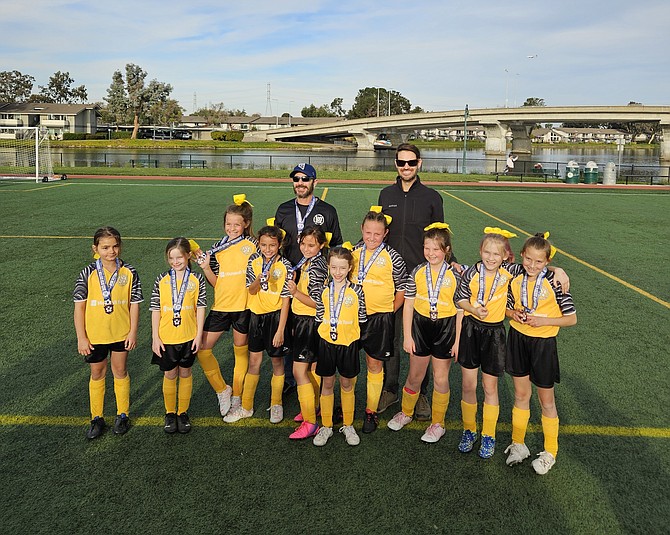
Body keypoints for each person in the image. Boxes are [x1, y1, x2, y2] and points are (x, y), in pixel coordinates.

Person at [455, 228, 569, 459]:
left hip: (496, 335)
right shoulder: (473, 272)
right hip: (470, 331)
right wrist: (473, 309)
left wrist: (560, 270)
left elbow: (539, 267)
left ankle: (489, 435)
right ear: (480, 251)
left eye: (496, 254)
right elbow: (459, 297)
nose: (491, 258)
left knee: (490, 388)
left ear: (506, 256)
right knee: (468, 386)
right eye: (486, 252)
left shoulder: (510, 271)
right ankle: (469, 430)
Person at [377, 143, 450, 420]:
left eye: (410, 162)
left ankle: (421, 394)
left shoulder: (432, 197)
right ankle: (391, 388)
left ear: (419, 163)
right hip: (391, 279)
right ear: (395, 164)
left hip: (423, 280)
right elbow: (378, 233)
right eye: (400, 162)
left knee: (422, 341)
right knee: (392, 337)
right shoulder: (386, 194)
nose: (405, 167)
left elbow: (440, 239)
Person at [504, 233, 576, 475]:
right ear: (522, 256)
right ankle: (519, 444)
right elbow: (507, 307)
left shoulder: (556, 282)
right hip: (517, 337)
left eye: (539, 262)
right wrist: (513, 315)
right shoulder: (515, 274)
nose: (532, 265)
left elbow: (571, 318)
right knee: (521, 394)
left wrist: (542, 320)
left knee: (546, 400)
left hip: (543, 343)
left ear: (546, 263)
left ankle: (550, 452)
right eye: (528, 259)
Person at [387, 223, 463, 443]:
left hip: (445, 328)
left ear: (447, 250)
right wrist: (408, 335)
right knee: (414, 377)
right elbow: (408, 304)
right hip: (420, 327)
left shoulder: (456, 275)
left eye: (436, 249)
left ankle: (437, 423)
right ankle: (406, 413)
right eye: (427, 248)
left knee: (440, 378)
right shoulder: (418, 271)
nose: (431, 253)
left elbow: (460, 311)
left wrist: (457, 340)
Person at [274, 163, 344, 392]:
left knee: (310, 334)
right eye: (297, 179)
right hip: (289, 279)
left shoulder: (328, 210)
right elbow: (276, 246)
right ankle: (289, 380)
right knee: (288, 331)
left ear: (315, 182)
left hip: (314, 282)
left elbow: (336, 247)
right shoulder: (284, 210)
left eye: (305, 179)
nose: (300, 183)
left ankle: (314, 384)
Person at [73, 227, 143, 439]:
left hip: (121, 333)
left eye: (114, 246)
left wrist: (132, 332)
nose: (111, 251)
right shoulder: (87, 273)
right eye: (105, 247)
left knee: (120, 371)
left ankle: (123, 414)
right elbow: (79, 307)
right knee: (97, 373)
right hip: (95, 336)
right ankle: (97, 418)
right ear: (95, 249)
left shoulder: (129, 272)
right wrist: (82, 337)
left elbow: (134, 305)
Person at [194, 195, 258, 417]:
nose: (232, 228)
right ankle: (223, 390)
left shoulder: (253, 245)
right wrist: (205, 268)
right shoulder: (216, 249)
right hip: (221, 306)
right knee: (202, 349)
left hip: (243, 308)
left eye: (236, 224)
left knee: (240, 354)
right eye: (228, 224)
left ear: (246, 224)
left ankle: (237, 398)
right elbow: (216, 283)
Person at [224, 225, 292, 424]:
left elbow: (286, 300)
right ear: (259, 244)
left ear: (279, 245)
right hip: (256, 317)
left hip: (276, 318)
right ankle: (246, 406)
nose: (268, 249)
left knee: (277, 362)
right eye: (263, 245)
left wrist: (280, 330)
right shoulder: (254, 260)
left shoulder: (286, 266)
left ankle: (276, 403)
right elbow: (251, 291)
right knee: (254, 362)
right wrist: (258, 279)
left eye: (272, 245)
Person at [351, 208, 407, 433]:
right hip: (352, 318)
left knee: (374, 365)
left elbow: (402, 289)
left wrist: (388, 312)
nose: (372, 238)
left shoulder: (393, 257)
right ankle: (346, 407)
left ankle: (371, 411)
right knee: (348, 365)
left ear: (385, 233)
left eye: (377, 233)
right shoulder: (353, 252)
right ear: (362, 230)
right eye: (368, 232)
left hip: (379, 320)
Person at [150, 238, 207, 434]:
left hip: (188, 336)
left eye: (179, 257)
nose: (175, 262)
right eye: (171, 258)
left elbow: (200, 308)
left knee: (185, 373)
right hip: (166, 338)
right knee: (170, 374)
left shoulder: (196, 280)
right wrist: (155, 337)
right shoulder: (161, 280)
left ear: (188, 256)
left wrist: (198, 336)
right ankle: (170, 412)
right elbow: (155, 309)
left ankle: (183, 412)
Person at [312, 246, 367, 447]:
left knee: (346, 384)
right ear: (328, 266)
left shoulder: (357, 291)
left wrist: (352, 336)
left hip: (348, 344)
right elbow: (319, 316)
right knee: (327, 384)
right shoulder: (323, 291)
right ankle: (326, 426)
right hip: (326, 342)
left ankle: (348, 424)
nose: (337, 272)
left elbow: (362, 318)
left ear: (349, 267)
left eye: (342, 268)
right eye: (334, 267)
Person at [286, 226, 329, 439]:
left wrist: (295, 292)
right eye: (303, 243)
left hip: (309, 322)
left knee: (298, 372)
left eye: (311, 245)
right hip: (305, 321)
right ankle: (313, 406)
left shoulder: (317, 268)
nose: (305, 248)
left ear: (321, 245)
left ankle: (310, 422)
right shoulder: (311, 262)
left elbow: (317, 302)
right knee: (311, 370)